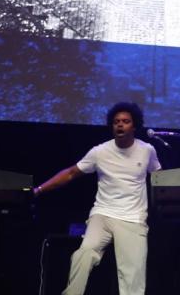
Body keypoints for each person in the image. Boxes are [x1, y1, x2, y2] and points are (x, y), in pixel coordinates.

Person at [34, 102, 161, 295]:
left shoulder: (147, 150)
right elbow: (70, 173)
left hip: (133, 217)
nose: (120, 125)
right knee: (84, 253)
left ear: (134, 126)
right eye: (116, 122)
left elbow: (159, 177)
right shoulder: (99, 152)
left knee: (132, 273)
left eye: (125, 121)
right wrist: (38, 190)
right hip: (102, 214)